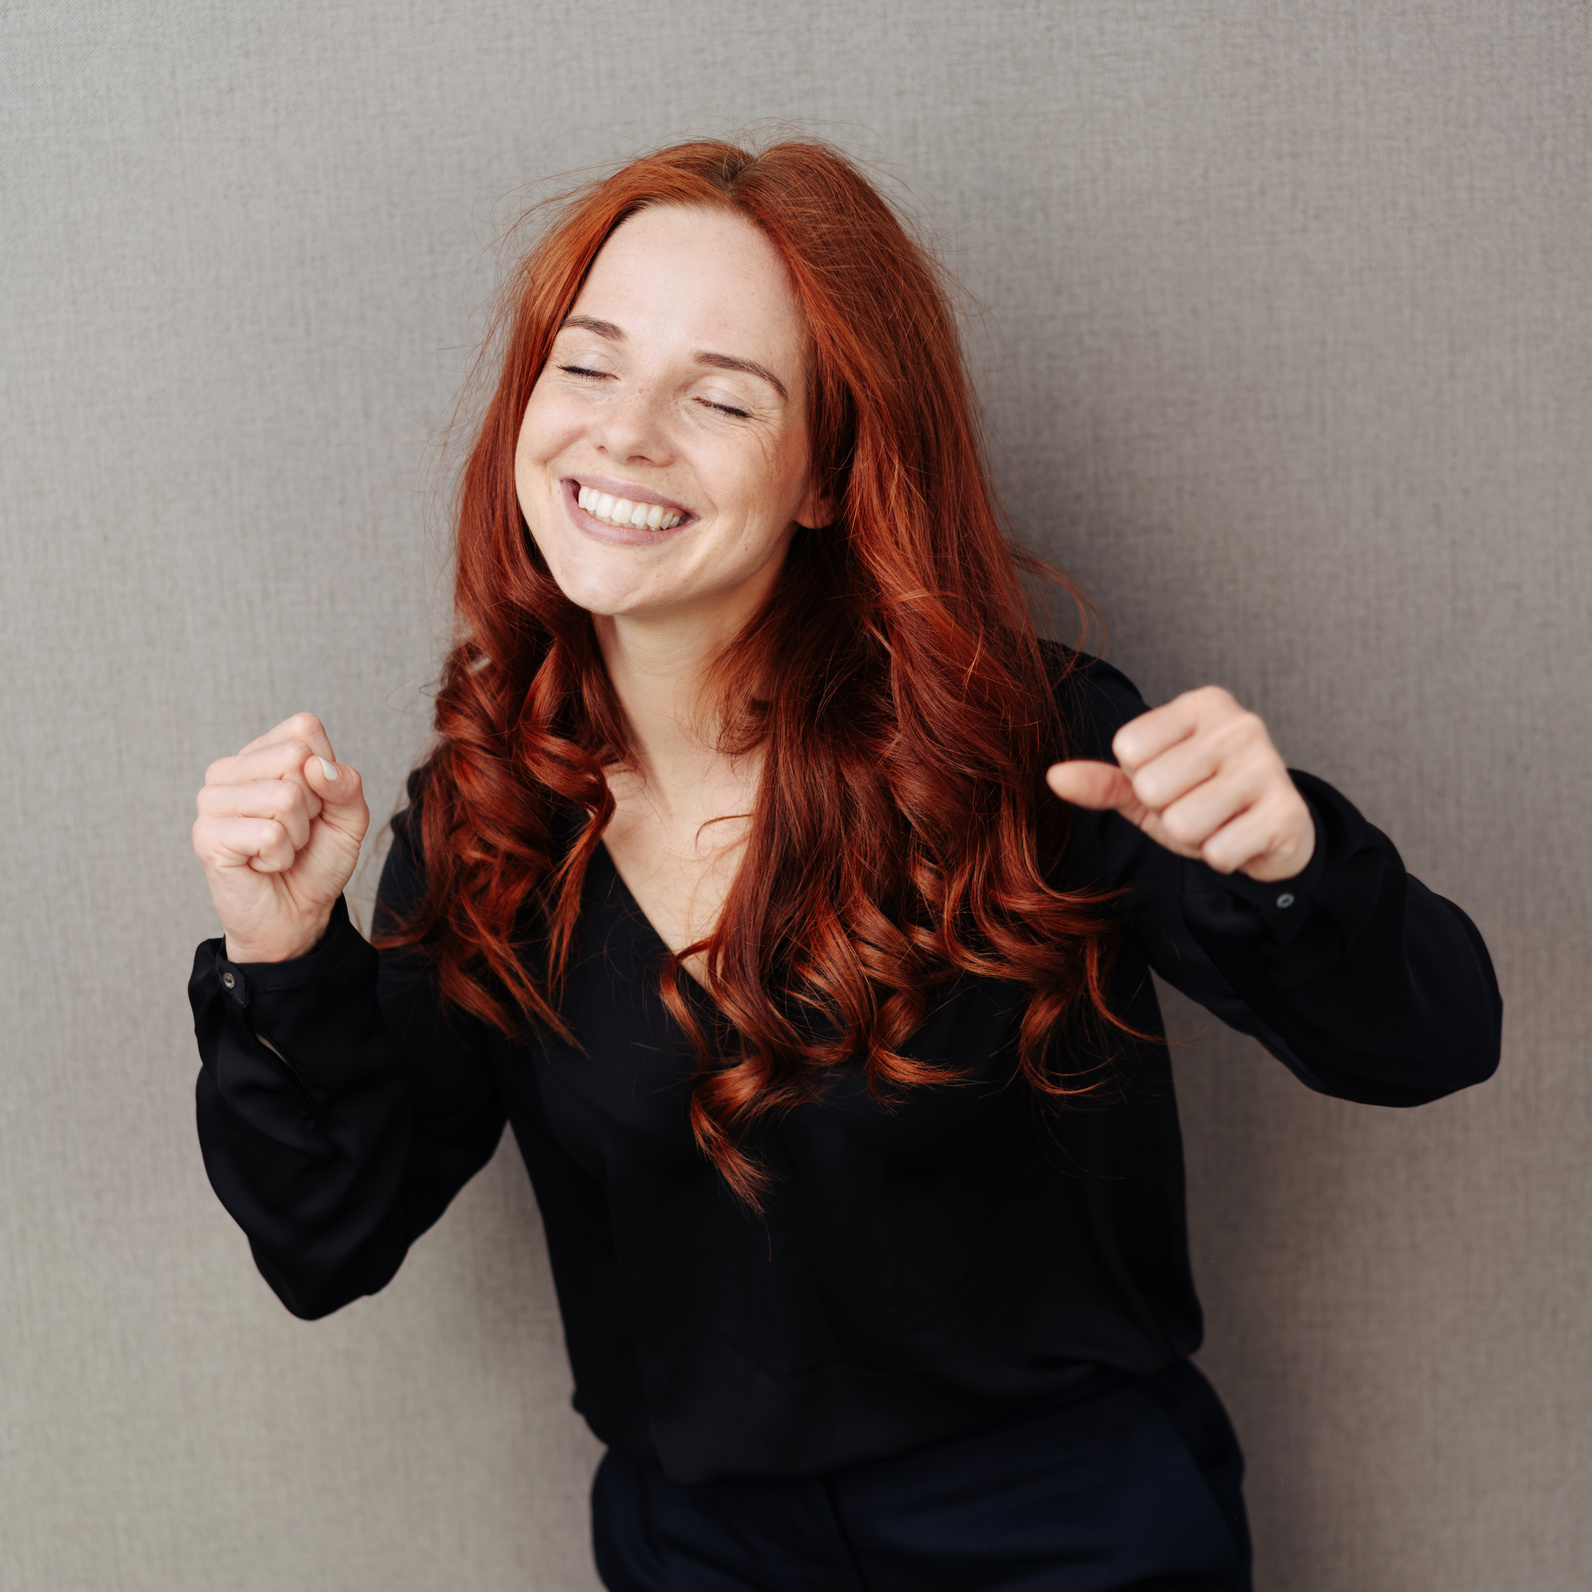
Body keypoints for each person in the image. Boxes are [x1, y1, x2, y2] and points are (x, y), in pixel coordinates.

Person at [188, 139, 1501, 1592]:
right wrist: (277, 954)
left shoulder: (1037, 744)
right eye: (590, 366)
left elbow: (1428, 1042)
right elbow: (327, 1245)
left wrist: (1290, 860)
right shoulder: (489, 816)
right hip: (698, 1552)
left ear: (827, 474)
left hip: (1064, 1537)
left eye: (721, 395)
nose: (624, 435)